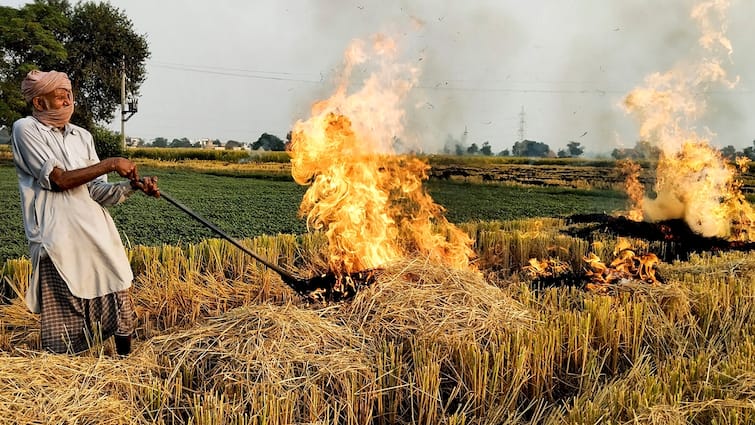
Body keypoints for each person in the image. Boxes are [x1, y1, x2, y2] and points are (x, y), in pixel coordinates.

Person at [10, 69, 159, 356]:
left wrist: (134, 186)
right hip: (57, 238)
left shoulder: (82, 136)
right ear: (39, 103)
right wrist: (111, 162)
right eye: (59, 96)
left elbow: (96, 191)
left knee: (119, 294)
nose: (67, 100)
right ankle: (68, 375)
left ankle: (125, 365)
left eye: (69, 94)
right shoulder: (25, 129)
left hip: (95, 232)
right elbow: (58, 180)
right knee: (64, 316)